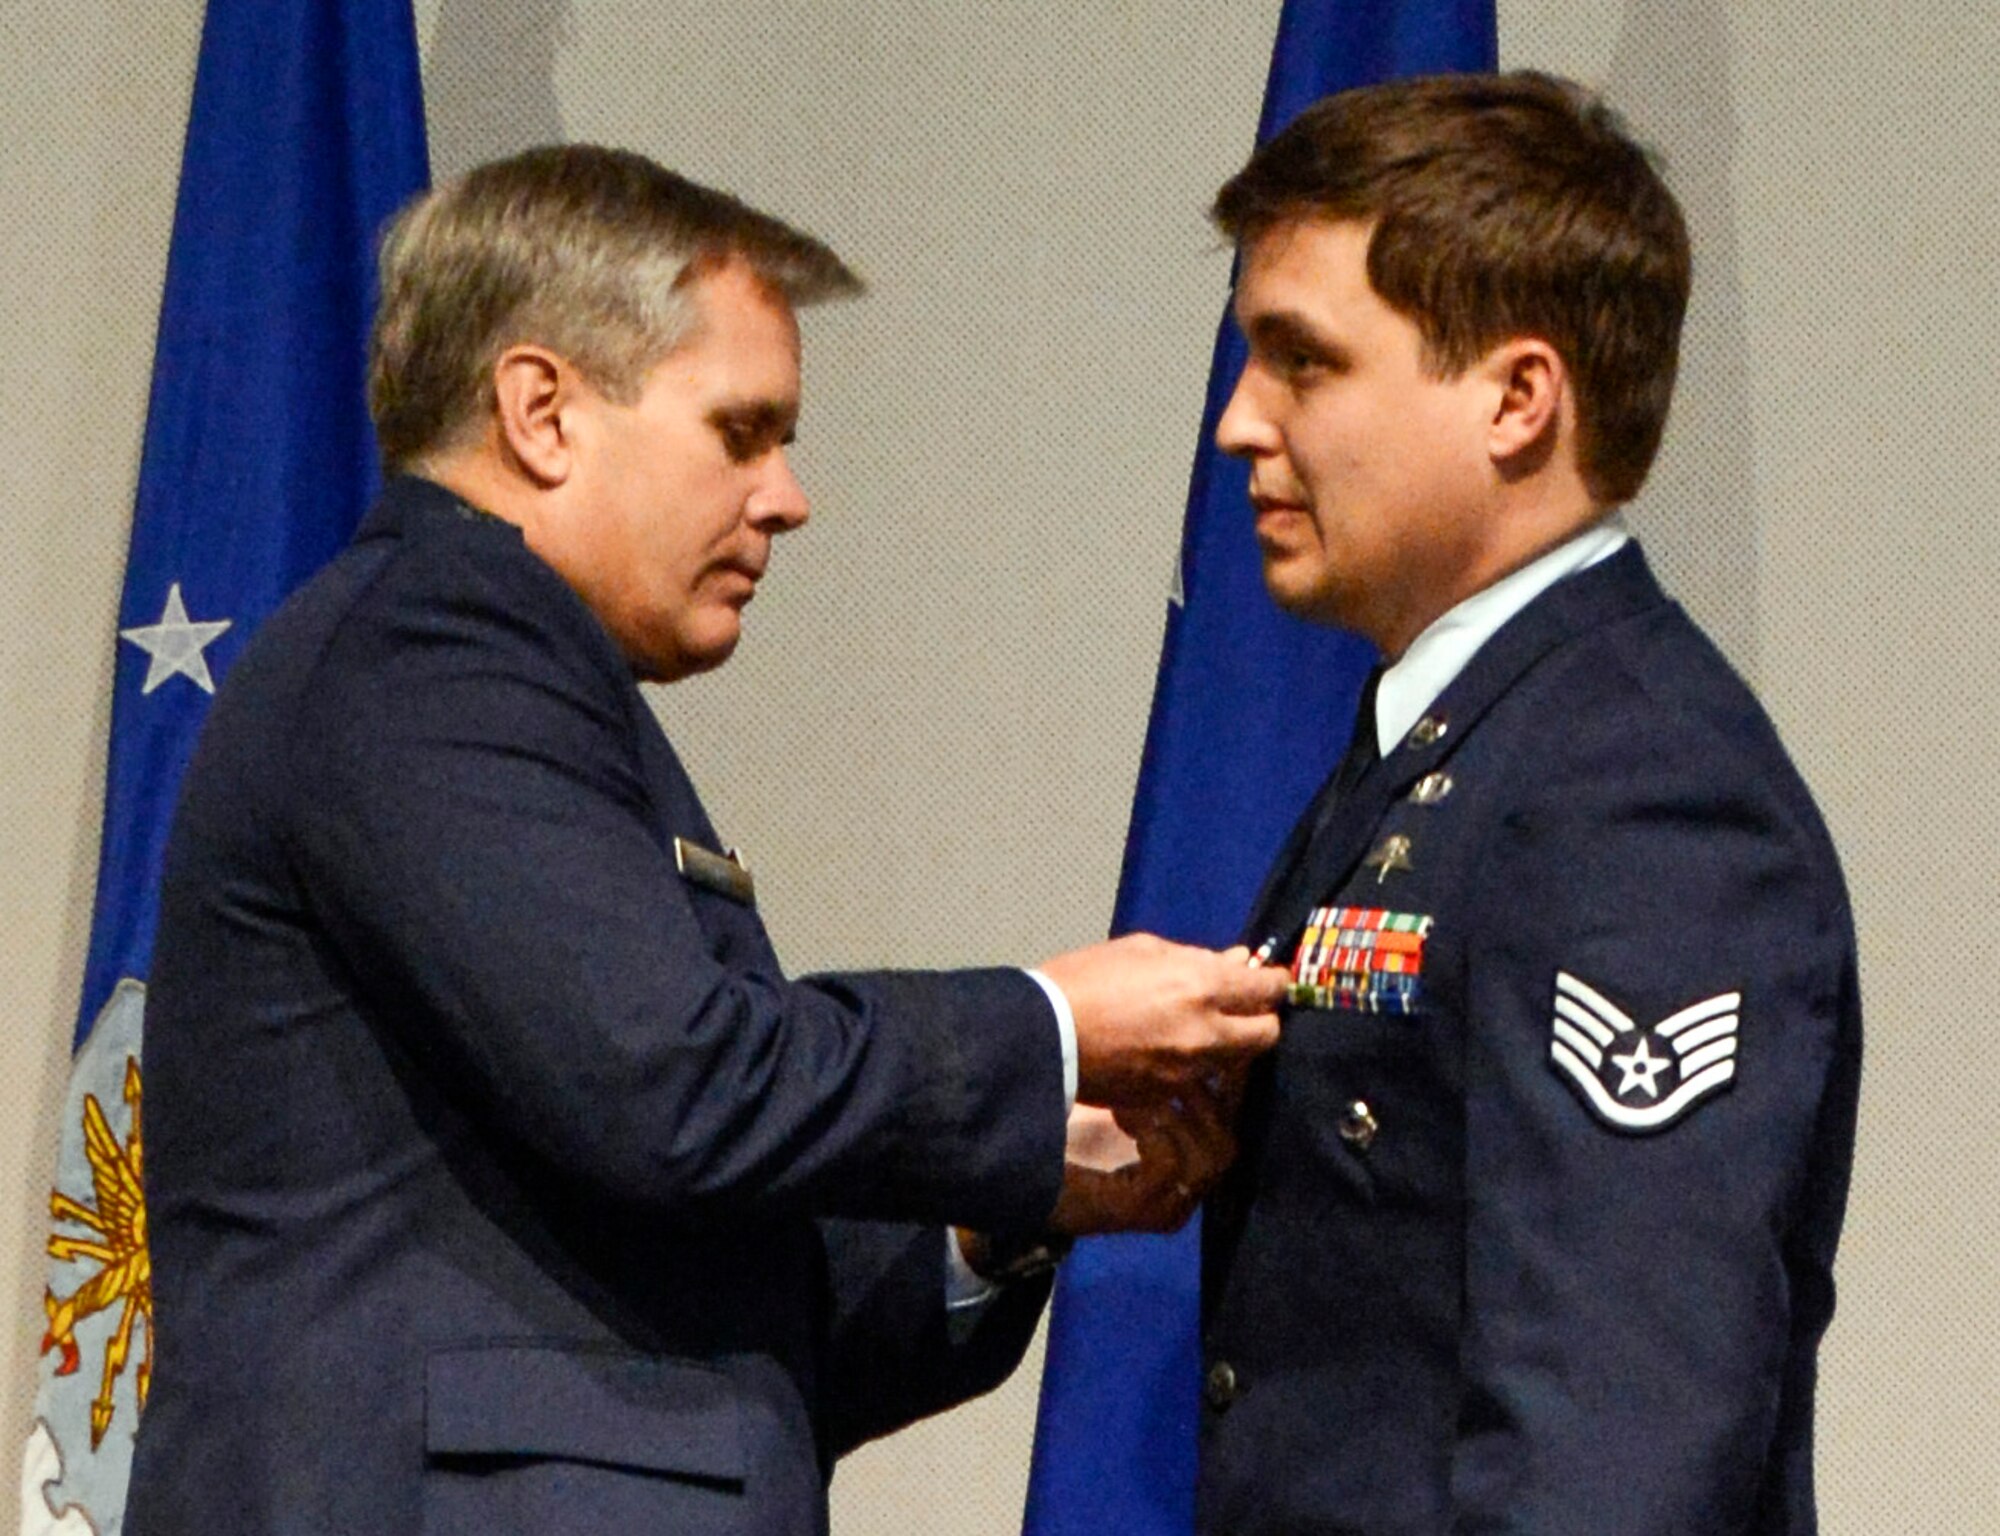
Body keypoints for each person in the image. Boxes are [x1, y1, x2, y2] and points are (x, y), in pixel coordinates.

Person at [126, 145, 1285, 1536]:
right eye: (742, 432)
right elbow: (668, 1086)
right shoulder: (432, 654)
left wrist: (1006, 1209)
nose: (788, 494)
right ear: (542, 413)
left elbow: (701, 1319)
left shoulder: (517, 679)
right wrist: (1045, 1030)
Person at [1194, 72, 1861, 1535]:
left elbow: (1614, 1440)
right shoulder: (1455, 747)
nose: (1241, 423)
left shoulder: (1636, 796)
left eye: (1302, 363)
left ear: (1517, 398)